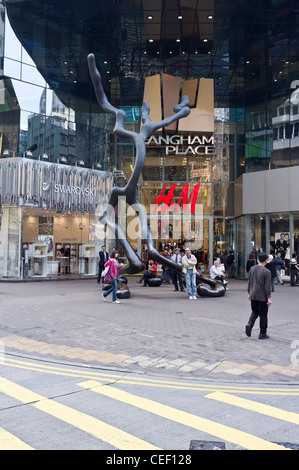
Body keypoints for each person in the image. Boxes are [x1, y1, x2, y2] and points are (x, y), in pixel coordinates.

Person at [245, 252, 272, 339]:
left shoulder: (252, 269)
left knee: (255, 312)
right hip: (262, 296)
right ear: (266, 260)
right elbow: (267, 286)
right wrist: (269, 298)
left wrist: (249, 293)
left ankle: (250, 324)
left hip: (253, 294)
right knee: (263, 314)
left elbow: (249, 282)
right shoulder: (267, 271)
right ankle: (262, 333)